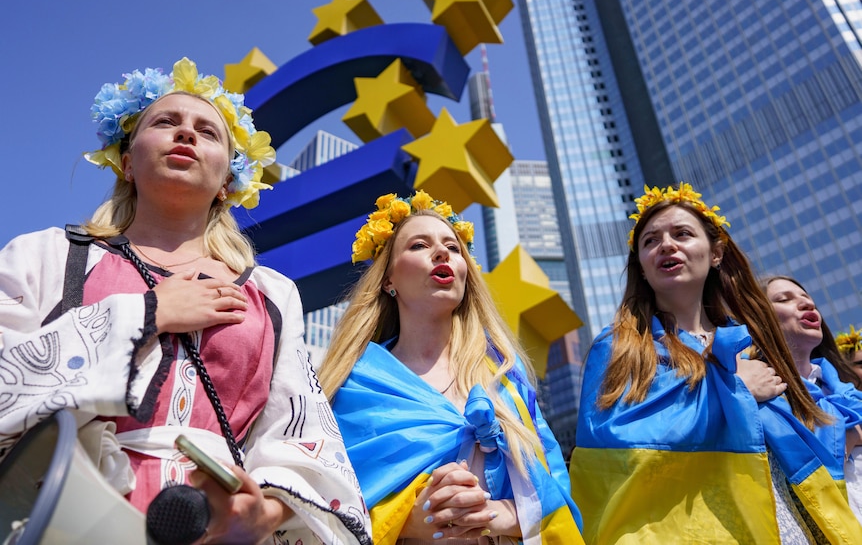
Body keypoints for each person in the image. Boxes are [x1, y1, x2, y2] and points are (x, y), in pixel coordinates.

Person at [0, 58, 371, 544]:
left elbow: (302, 429)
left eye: (207, 132)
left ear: (227, 185)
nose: (186, 135)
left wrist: (264, 510)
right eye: (165, 122)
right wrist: (148, 313)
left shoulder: (271, 292)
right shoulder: (46, 255)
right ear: (128, 163)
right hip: (70, 512)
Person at [570, 183, 862, 544]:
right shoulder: (619, 346)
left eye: (682, 234)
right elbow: (611, 443)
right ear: (642, 268)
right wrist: (738, 391)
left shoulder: (751, 348)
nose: (666, 245)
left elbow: (804, 433)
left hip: (777, 525)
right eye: (650, 241)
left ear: (716, 253)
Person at [318, 191, 583, 545]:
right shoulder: (354, 382)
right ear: (388, 280)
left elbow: (557, 495)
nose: (442, 252)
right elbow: (319, 501)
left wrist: (502, 514)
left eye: (453, 248)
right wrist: (410, 520)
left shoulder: (504, 374)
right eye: (418, 245)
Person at [763, 275, 862, 522]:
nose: (807, 304)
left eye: (807, 299)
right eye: (784, 299)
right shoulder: (764, 396)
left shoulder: (846, 391)